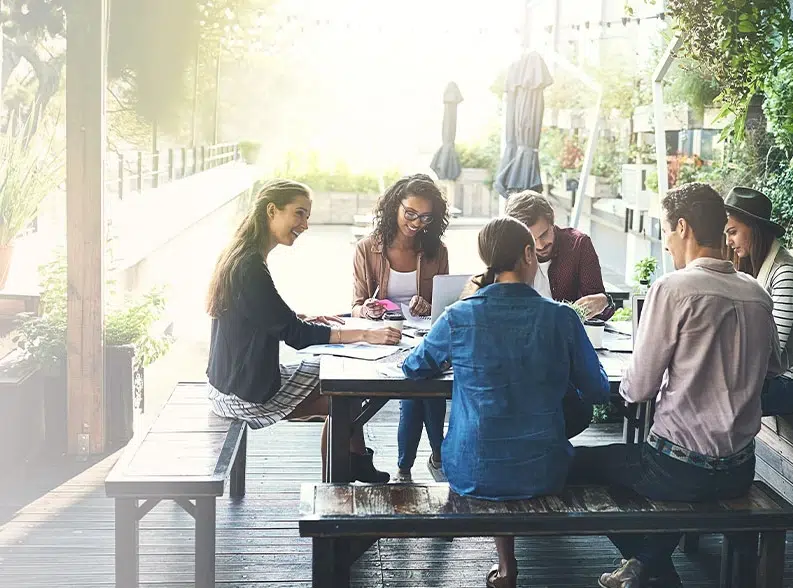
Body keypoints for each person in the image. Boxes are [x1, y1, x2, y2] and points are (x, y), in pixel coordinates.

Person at [570, 183, 784, 588]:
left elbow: (637, 389)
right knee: (633, 467)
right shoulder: (757, 293)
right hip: (740, 468)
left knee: (577, 464)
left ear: (683, 228)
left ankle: (655, 572)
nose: (666, 243)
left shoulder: (673, 289)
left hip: (676, 469)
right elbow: (774, 367)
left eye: (666, 230)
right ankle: (646, 564)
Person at [401, 217, 610, 588]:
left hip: (469, 469)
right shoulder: (561, 317)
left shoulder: (459, 316)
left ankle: (507, 566)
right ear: (529, 254)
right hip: (544, 470)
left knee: (494, 425)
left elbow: (413, 366)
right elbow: (597, 390)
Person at [205, 179, 399, 483]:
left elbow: (260, 314)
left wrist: (300, 317)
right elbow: (295, 336)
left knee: (343, 397)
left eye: (307, 216)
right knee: (344, 395)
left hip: (229, 383)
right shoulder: (250, 266)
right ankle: (342, 478)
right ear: (272, 210)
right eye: (299, 213)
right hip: (241, 392)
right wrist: (363, 334)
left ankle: (348, 470)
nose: (305, 225)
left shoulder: (243, 254)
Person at [351, 174, 451, 482]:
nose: (416, 223)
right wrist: (366, 309)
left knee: (420, 389)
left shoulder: (437, 251)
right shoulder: (367, 249)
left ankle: (405, 469)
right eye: (410, 213)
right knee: (422, 388)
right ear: (395, 206)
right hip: (384, 340)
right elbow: (354, 306)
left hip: (424, 339)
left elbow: (446, 307)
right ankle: (438, 457)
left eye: (425, 217)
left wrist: (429, 304)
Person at [724, 186, 793, 416]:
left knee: (714, 401)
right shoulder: (754, 266)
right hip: (766, 377)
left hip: (789, 386)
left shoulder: (785, 271)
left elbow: (774, 348)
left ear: (754, 229)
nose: (728, 241)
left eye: (733, 232)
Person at [503, 190, 615, 321]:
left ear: (552, 219)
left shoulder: (578, 245)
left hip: (568, 336)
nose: (540, 245)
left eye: (544, 234)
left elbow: (599, 312)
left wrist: (605, 301)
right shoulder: (509, 253)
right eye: (531, 240)